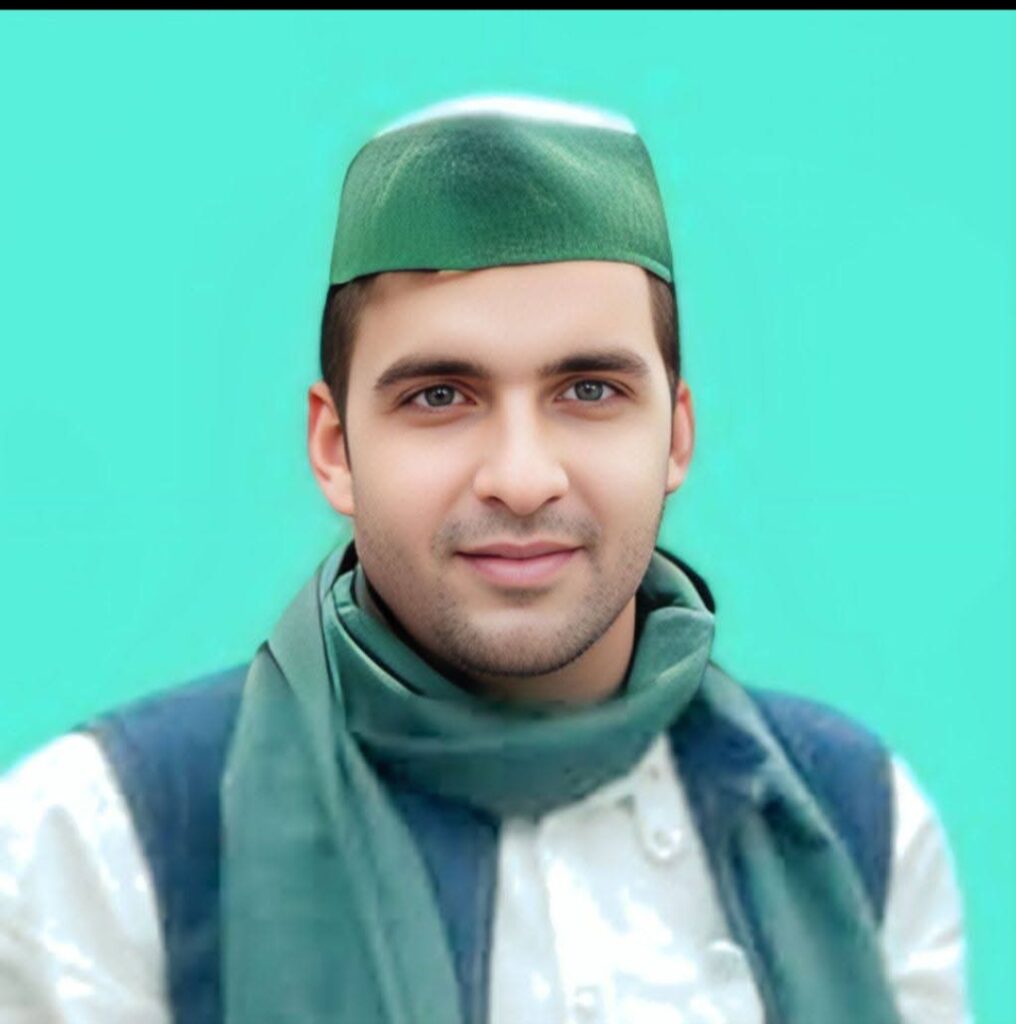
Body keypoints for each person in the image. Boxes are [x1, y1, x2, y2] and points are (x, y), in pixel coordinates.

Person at [0, 94, 971, 1024]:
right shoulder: (98, 841)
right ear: (335, 448)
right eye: (440, 396)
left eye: (588, 391)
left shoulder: (859, 824)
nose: (521, 478)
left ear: (675, 436)